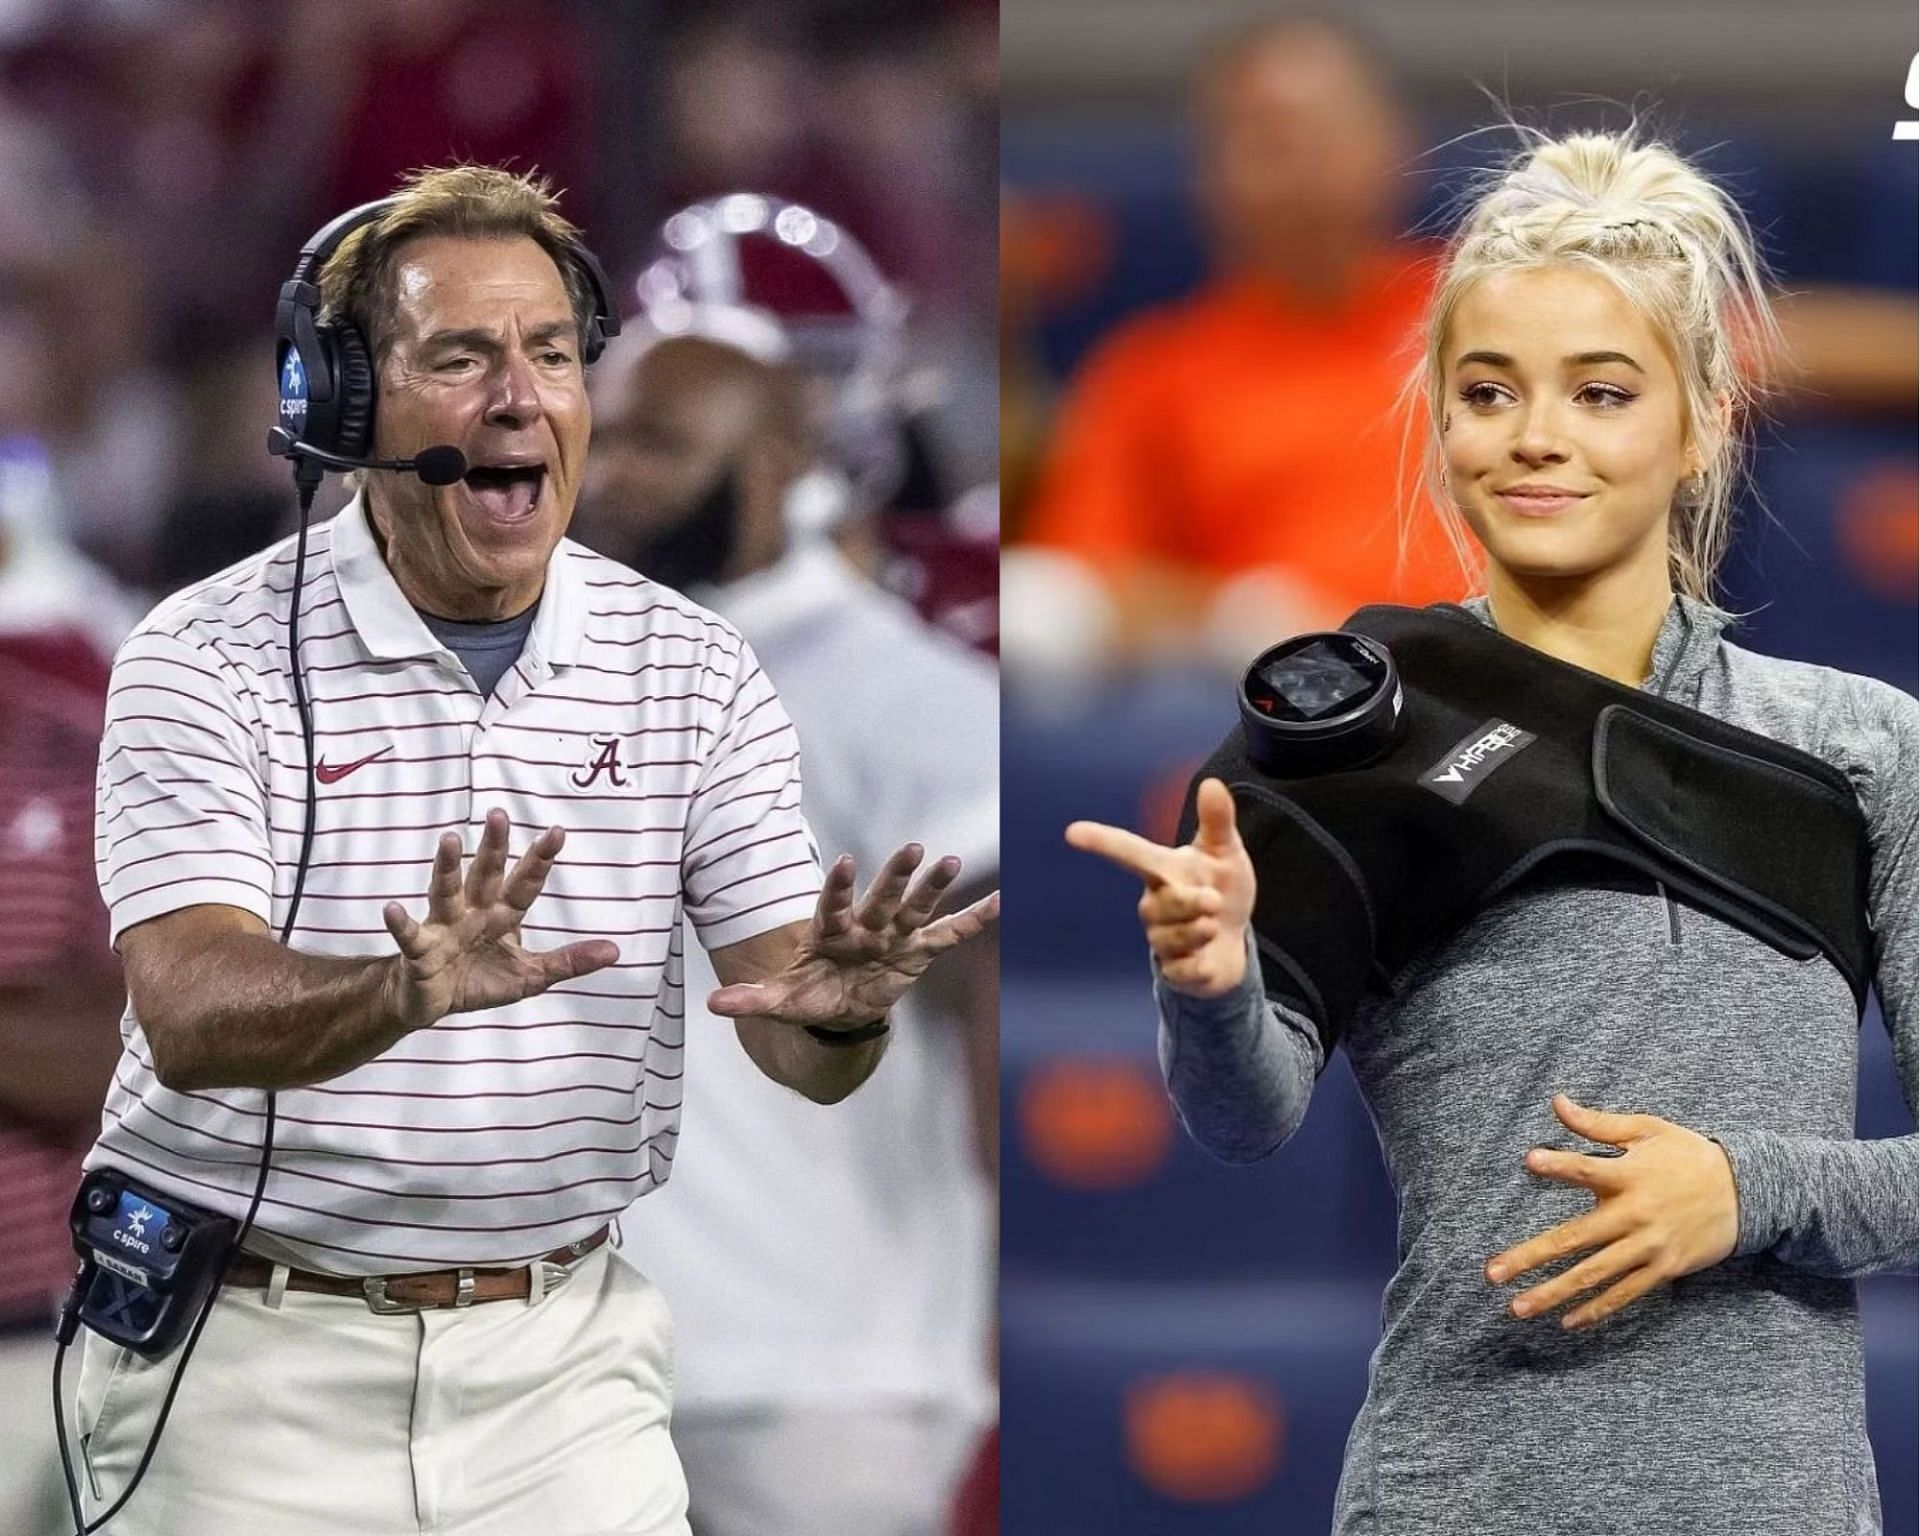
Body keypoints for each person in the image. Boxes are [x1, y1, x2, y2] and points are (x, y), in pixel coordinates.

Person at [70, 165, 996, 1536]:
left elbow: (792, 1036)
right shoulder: (200, 656)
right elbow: (192, 1012)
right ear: (337, 399)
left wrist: (843, 1017)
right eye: (462, 355)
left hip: (565, 1361)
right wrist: (395, 995)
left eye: (553, 354)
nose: (522, 396)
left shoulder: (693, 664)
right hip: (260, 1359)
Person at [1066, 128, 1916, 1534]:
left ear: (1703, 420)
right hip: (1453, 1495)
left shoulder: (1862, 744)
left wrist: (1744, 1189)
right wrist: (1208, 985)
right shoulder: (1352, 736)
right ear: (1440, 421)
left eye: (1601, 392)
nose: (1536, 435)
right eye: (1487, 391)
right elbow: (1242, 1120)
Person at [578, 327, 998, 1536]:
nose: (610, 473)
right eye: (604, 438)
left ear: (769, 468)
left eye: (656, 443)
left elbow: (994, 1006)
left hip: (826, 1364)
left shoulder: (904, 692)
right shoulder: (569, 675)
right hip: (587, 1361)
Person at [1013, 16, 1465, 672]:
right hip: (1278, 715)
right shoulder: (1152, 372)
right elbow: (1074, 586)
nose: (1296, 160)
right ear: (1209, 169)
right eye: (1263, 136)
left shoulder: (1508, 317)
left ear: (1393, 141)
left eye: (1320, 130)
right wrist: (1236, 614)